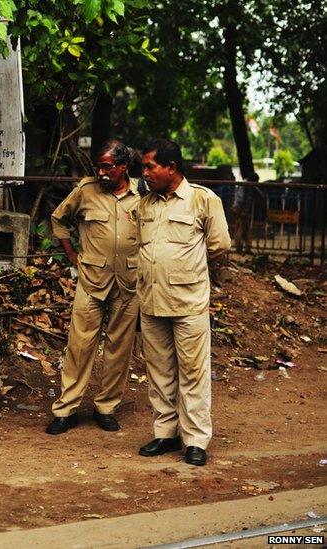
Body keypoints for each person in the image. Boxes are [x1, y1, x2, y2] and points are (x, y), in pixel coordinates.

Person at [136, 139, 231, 466]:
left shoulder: (202, 200)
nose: (145, 173)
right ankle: (165, 433)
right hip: (150, 301)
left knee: (193, 372)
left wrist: (185, 267)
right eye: (144, 167)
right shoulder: (145, 205)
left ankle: (195, 440)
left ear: (171, 168)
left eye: (151, 166)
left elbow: (219, 245)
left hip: (188, 302)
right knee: (160, 372)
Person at [45, 140, 141, 435]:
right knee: (79, 346)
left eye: (107, 166)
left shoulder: (143, 193)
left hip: (129, 283)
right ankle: (66, 409)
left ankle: (106, 407)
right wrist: (73, 256)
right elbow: (59, 219)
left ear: (123, 167)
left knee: (119, 349)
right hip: (91, 281)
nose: (101, 172)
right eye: (98, 166)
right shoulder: (86, 191)